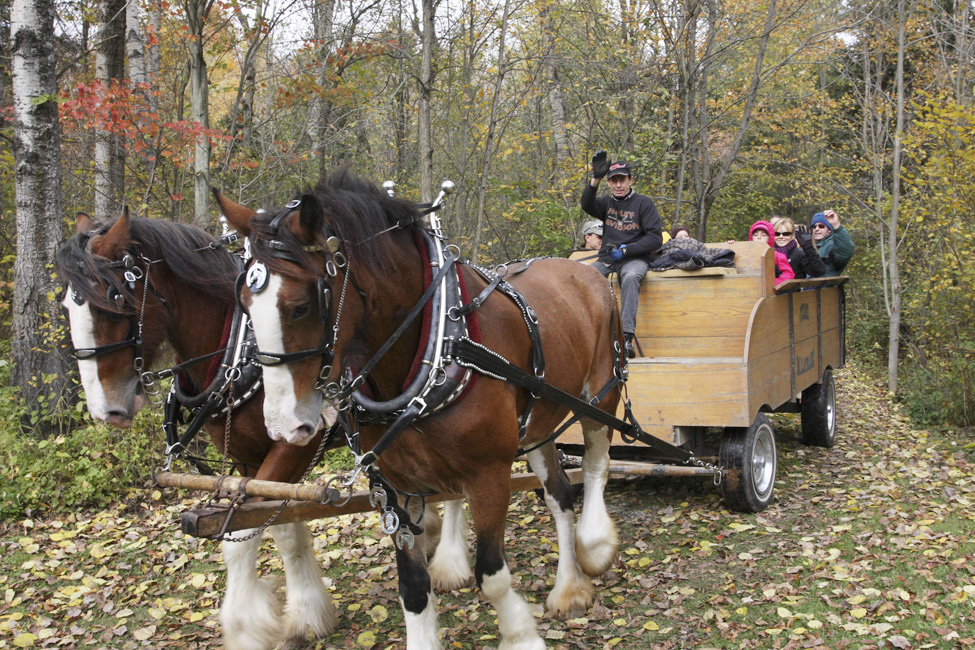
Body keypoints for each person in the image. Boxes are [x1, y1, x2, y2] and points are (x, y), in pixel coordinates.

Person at [581, 152, 663, 358]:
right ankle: (586, 334)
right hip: (608, 259)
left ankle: (626, 337)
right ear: (609, 183)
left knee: (631, 277)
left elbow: (655, 239)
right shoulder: (606, 203)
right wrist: (595, 180)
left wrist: (627, 249)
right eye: (614, 180)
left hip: (635, 258)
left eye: (622, 180)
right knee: (586, 279)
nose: (618, 185)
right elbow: (586, 205)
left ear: (630, 180)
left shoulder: (644, 204)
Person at [749, 220, 795, 286]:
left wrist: (774, 284)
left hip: (769, 291)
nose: (759, 237)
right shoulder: (745, 255)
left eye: (763, 235)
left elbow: (788, 274)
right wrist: (731, 245)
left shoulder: (777, 256)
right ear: (751, 237)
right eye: (755, 235)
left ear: (769, 238)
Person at [811, 210, 855, 276]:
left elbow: (845, 252)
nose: (817, 229)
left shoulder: (832, 244)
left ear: (829, 230)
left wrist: (836, 225)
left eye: (821, 226)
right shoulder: (807, 246)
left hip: (824, 285)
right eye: (814, 226)